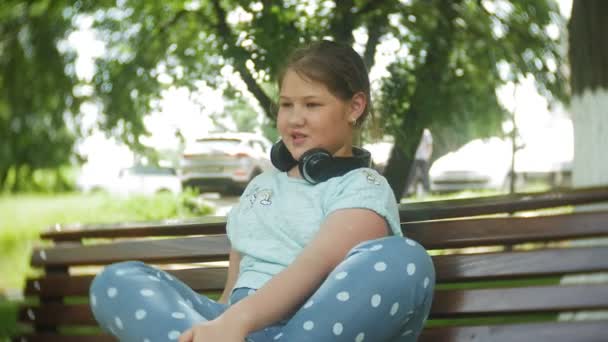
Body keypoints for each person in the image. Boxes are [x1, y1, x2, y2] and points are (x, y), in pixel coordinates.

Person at [89, 40, 435, 342]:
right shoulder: (262, 185)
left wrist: (239, 321)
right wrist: (224, 326)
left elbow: (314, 266)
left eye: (311, 105)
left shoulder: (363, 187)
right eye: (286, 104)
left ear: (354, 107)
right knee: (117, 280)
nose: (294, 118)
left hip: (315, 326)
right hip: (239, 330)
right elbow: (236, 281)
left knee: (406, 259)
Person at [405, 128, 433, 196]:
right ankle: (408, 190)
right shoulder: (413, 132)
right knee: (411, 174)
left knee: (425, 174)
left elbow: (430, 145)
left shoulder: (426, 133)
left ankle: (427, 190)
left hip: (423, 157)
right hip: (415, 157)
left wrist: (428, 156)